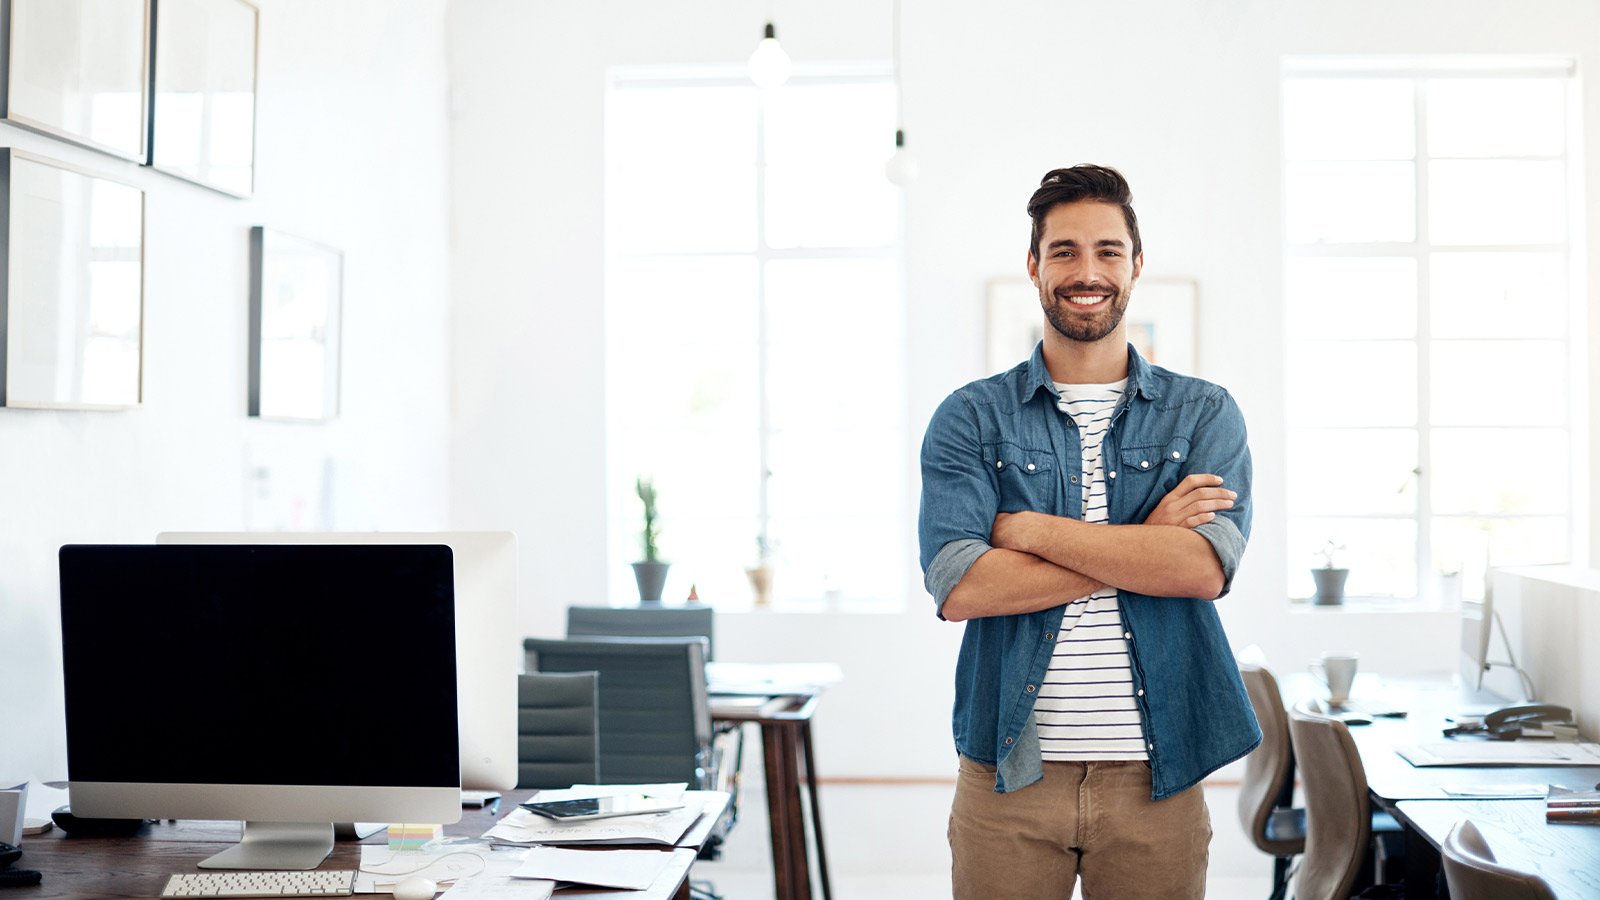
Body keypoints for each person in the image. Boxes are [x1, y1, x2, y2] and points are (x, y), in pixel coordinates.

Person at [918, 164, 1259, 899]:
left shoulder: (1203, 414)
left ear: (1136, 266)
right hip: (1009, 775)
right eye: (1065, 250)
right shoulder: (971, 418)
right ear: (1035, 266)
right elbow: (963, 586)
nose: (1087, 270)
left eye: (1108, 250)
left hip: (1158, 775)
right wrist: (1146, 541)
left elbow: (1202, 571)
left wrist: (1027, 529)